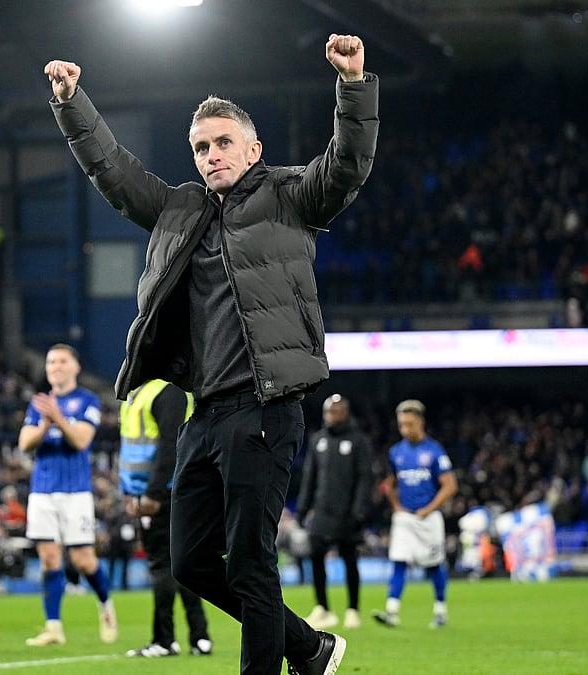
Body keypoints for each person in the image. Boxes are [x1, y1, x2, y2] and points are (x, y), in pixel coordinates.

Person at [45, 31, 377, 675]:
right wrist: (71, 103)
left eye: (223, 142)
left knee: (251, 562)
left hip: (265, 406)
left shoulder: (289, 195)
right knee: (191, 561)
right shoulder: (178, 210)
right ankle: (309, 648)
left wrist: (353, 85)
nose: (211, 155)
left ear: (253, 149)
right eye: (201, 146)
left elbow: (348, 164)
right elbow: (113, 171)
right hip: (203, 414)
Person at [18, 343, 116, 646]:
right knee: (49, 558)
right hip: (42, 490)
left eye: (62, 361)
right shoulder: (39, 404)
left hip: (76, 492)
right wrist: (46, 423)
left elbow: (82, 440)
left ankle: (105, 605)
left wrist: (58, 419)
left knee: (83, 559)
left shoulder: (87, 400)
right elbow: (24, 443)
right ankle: (53, 627)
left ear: (76, 367)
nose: (55, 367)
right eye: (51, 362)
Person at [118, 379, 211, 659]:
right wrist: (130, 493)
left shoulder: (164, 392)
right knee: (180, 565)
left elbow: (171, 445)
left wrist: (152, 493)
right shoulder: (141, 393)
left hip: (164, 493)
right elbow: (131, 449)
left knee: (163, 565)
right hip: (151, 492)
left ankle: (165, 640)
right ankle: (199, 636)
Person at [372, 399, 459, 629]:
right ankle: (392, 611)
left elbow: (450, 486)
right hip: (405, 518)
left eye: (409, 424)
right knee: (399, 561)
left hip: (429, 518)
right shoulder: (396, 452)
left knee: (434, 564)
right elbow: (390, 483)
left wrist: (429, 509)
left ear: (421, 422)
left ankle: (440, 610)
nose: (405, 429)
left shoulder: (434, 451)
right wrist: (396, 506)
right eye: (401, 425)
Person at [296, 394, 373, 631]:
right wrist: (303, 507)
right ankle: (323, 608)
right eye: (328, 411)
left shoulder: (359, 441)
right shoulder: (317, 440)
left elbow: (364, 479)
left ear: (345, 413)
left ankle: (353, 610)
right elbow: (309, 477)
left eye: (335, 411)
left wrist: (359, 511)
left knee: (350, 560)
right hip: (321, 512)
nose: (330, 416)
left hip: (348, 513)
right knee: (316, 557)